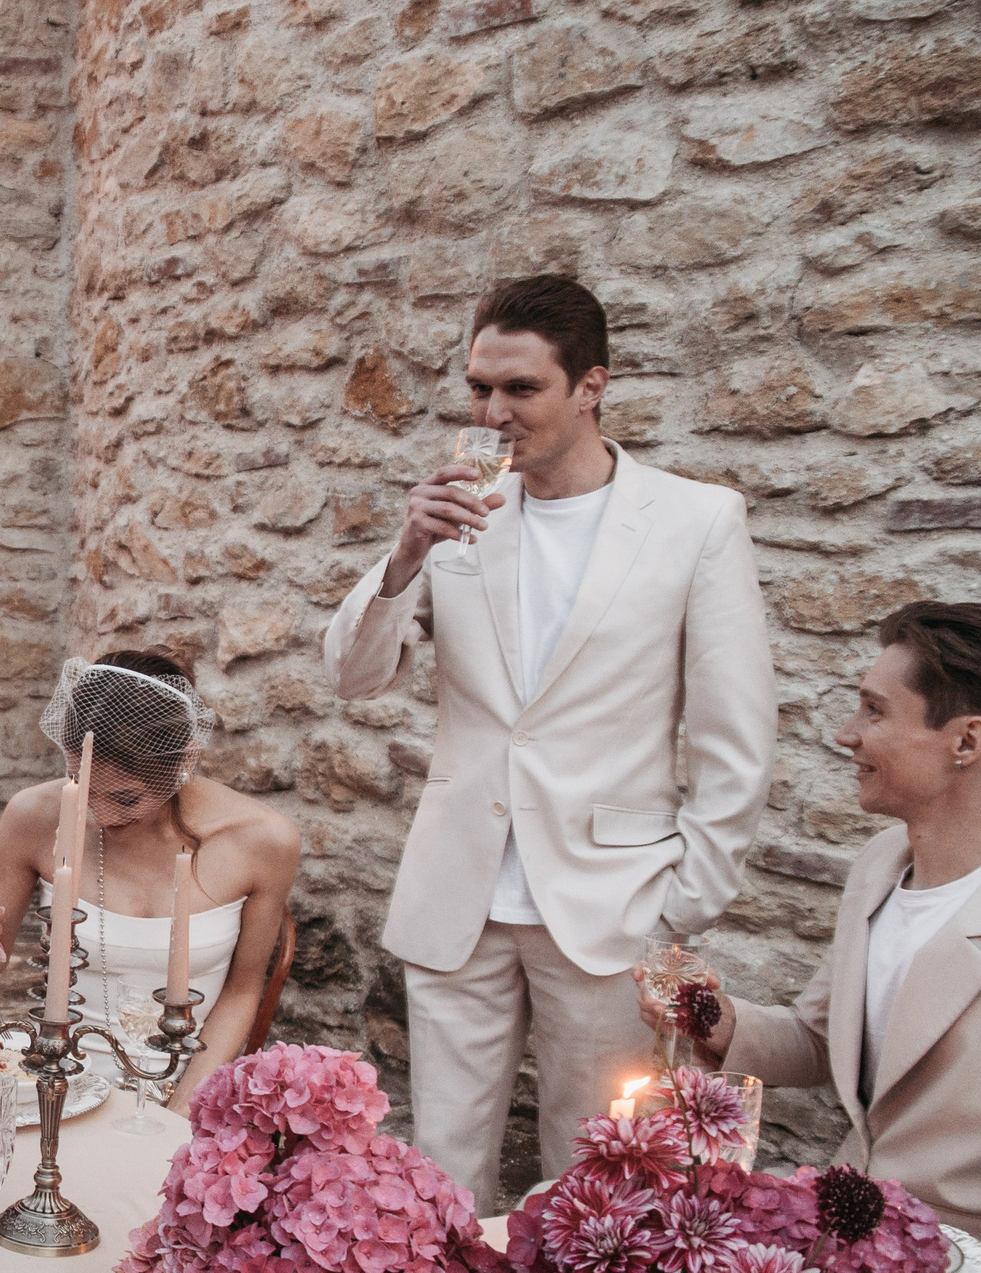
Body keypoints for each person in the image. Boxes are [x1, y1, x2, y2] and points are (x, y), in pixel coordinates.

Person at [322, 274, 775, 1208]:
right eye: (479, 389)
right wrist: (403, 557)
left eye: (520, 390)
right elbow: (354, 676)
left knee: (598, 1178)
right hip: (459, 893)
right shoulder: (455, 515)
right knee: (440, 1174)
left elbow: (737, 742)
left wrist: (677, 910)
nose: (493, 414)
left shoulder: (697, 522)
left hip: (612, 909)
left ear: (591, 385)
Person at [642, 603, 981, 1239]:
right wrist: (717, 1019)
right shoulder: (881, 865)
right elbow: (821, 1041)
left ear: (967, 741)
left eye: (874, 710)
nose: (846, 734)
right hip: (843, 1240)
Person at [0, 652, 301, 1114]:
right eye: (81, 784)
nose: (101, 813)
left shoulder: (262, 840)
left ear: (185, 759)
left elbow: (241, 991)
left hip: (185, 1087)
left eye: (125, 797)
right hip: (58, 1085)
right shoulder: (35, 816)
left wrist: (179, 1115)